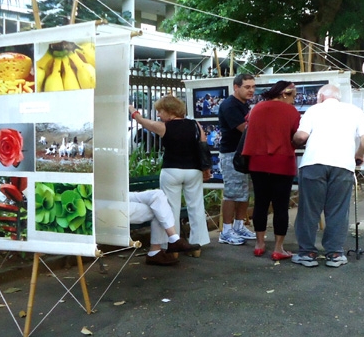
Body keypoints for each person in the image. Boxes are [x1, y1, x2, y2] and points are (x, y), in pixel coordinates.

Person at [291, 84, 364, 268]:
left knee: (309, 210)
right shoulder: (354, 111)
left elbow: (301, 137)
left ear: (320, 97)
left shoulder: (314, 110)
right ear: (338, 97)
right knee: (338, 210)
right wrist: (359, 154)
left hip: (314, 164)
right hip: (343, 165)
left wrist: (293, 140)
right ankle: (334, 253)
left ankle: (307, 253)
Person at [129, 96, 211, 253]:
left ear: (170, 111)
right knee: (196, 206)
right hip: (193, 170)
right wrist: (206, 167)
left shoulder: (163, 127)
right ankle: (197, 246)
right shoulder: (195, 125)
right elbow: (203, 143)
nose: (159, 115)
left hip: (171, 170)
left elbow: (142, 121)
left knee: (170, 209)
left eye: (160, 111)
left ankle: (173, 245)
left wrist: (133, 111)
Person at [241, 81, 301, 261]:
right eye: (293, 96)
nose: (294, 100)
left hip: (257, 162)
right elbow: (297, 135)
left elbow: (248, 125)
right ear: (285, 94)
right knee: (281, 205)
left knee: (260, 203)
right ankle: (278, 248)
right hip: (282, 162)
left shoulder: (256, 108)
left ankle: (259, 245)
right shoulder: (291, 112)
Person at [217, 73, 257, 245]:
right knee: (232, 193)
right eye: (247, 87)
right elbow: (246, 130)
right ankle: (226, 231)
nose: (251, 90)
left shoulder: (244, 104)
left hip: (243, 154)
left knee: (244, 192)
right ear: (236, 87)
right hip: (231, 154)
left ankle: (239, 226)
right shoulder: (230, 106)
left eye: (253, 87)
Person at [129, 190, 200, 266]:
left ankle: (171, 241)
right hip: (116, 202)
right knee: (158, 208)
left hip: (123, 194)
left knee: (158, 195)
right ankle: (171, 241)